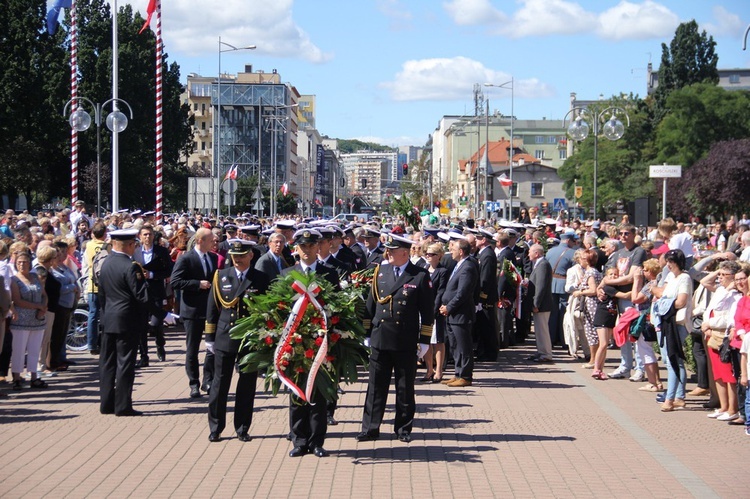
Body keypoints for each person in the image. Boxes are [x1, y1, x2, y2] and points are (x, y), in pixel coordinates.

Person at [357, 232, 435, 443]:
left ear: (404, 252)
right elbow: (370, 306)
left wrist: (424, 340)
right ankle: (370, 428)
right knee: (375, 387)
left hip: (405, 340)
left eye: (392, 251)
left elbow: (427, 312)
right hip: (380, 338)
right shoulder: (379, 272)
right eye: (387, 250)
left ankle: (403, 429)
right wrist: (366, 333)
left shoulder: (419, 275)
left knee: (404, 387)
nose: (388, 254)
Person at [282, 229, 340, 457]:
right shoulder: (288, 274)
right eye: (302, 247)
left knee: (318, 393)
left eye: (311, 246)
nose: (306, 251)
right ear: (296, 248)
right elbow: (282, 307)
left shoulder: (329, 274)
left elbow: (337, 306)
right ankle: (299, 440)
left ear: (318, 247)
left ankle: (316, 441)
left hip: (321, 342)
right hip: (295, 343)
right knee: (297, 392)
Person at [205, 239, 269, 443]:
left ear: (251, 255)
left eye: (242, 256)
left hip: (249, 339)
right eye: (234, 256)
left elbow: (267, 310)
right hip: (225, 336)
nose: (238, 260)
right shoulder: (221, 276)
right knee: (219, 384)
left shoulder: (260, 278)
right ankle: (216, 427)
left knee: (247, 386)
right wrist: (209, 338)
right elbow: (213, 308)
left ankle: (242, 427)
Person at [98, 229, 149, 416]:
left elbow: (102, 295)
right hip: (127, 320)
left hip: (109, 318)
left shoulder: (106, 263)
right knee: (125, 363)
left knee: (107, 362)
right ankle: (122, 405)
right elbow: (141, 296)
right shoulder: (131, 266)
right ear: (129, 245)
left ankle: (106, 403)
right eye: (134, 245)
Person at [170, 227, 219, 398]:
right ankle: (193, 383)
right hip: (192, 311)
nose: (214, 242)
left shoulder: (212, 257)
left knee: (211, 347)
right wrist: (197, 284)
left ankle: (208, 380)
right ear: (200, 241)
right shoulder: (186, 259)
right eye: (210, 239)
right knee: (192, 349)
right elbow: (175, 281)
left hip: (210, 311)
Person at [602, 224, 647, 381]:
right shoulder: (618, 253)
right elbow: (607, 275)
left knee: (635, 333)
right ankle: (625, 365)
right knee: (622, 332)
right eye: (621, 233)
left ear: (634, 234)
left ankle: (640, 368)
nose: (623, 236)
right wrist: (607, 284)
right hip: (621, 298)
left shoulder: (639, 251)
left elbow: (631, 276)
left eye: (626, 233)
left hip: (633, 298)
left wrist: (614, 282)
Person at [652, 250, 693, 412]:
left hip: (678, 323)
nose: (668, 264)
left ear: (678, 262)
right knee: (674, 360)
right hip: (666, 321)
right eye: (667, 261)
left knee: (672, 360)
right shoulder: (670, 276)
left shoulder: (685, 278)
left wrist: (665, 301)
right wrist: (664, 296)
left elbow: (681, 302)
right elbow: (659, 291)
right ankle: (679, 396)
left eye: (671, 261)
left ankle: (669, 398)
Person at [701, 260, 742, 421]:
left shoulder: (734, 295)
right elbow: (705, 282)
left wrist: (709, 324)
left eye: (724, 275)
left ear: (733, 277)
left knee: (728, 375)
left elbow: (727, 318)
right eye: (720, 274)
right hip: (711, 333)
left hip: (722, 334)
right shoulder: (720, 290)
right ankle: (723, 406)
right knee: (717, 373)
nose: (720, 278)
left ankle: (733, 408)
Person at [439, 238, 479, 386]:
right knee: (455, 346)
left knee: (464, 346)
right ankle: (457, 373)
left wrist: (449, 307)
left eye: (453, 249)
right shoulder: (459, 265)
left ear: (461, 252)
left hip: (461, 314)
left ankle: (466, 376)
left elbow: (463, 292)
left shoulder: (467, 267)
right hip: (452, 314)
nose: (450, 252)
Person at [133, 224, 173, 365]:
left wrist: (153, 275)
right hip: (141, 293)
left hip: (156, 292)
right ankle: (144, 356)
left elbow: (169, 270)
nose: (147, 237)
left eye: (149, 234)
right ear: (140, 237)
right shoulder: (136, 252)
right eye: (144, 235)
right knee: (141, 326)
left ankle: (160, 344)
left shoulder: (161, 251)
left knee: (156, 324)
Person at [9, 251, 48, 390]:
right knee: (19, 350)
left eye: (24, 262)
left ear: (29, 263)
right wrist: (37, 306)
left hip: (38, 319)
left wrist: (43, 307)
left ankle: (34, 376)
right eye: (19, 262)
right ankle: (17, 377)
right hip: (21, 319)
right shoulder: (14, 280)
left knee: (34, 349)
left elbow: (44, 294)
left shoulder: (35, 277)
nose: (22, 264)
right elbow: (17, 300)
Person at [545, 229, 578, 349]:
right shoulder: (573, 253)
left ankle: (551, 339)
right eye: (574, 241)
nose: (575, 243)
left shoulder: (550, 251)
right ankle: (564, 340)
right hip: (565, 284)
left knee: (552, 313)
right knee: (565, 313)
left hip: (551, 283)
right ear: (569, 240)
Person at [422, 243, 447, 382]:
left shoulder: (442, 271)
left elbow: (441, 291)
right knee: (426, 340)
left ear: (439, 256)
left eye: (431, 254)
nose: (427, 256)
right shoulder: (425, 269)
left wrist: (434, 309)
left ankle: (438, 371)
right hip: (424, 309)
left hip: (435, 310)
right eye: (427, 253)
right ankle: (429, 369)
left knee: (437, 341)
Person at [474, 228, 499, 362]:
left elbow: (485, 278)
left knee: (488, 325)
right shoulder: (484, 253)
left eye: (478, 238)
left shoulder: (487, 255)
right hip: (485, 296)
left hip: (486, 297)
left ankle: (489, 353)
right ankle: (484, 351)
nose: (476, 240)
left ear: (484, 240)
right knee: (484, 325)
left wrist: (481, 296)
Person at [83, 222, 108, 355]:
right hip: (104, 285)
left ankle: (91, 344)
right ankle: (103, 341)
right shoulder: (107, 247)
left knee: (92, 315)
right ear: (104, 234)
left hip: (92, 283)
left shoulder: (89, 245)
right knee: (104, 313)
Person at [527, 244, 554, 363]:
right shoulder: (539, 264)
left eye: (530, 252)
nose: (528, 254)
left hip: (542, 304)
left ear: (537, 253)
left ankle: (546, 353)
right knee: (538, 329)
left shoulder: (543, 265)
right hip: (540, 303)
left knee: (542, 329)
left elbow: (541, 286)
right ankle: (541, 351)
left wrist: (536, 303)